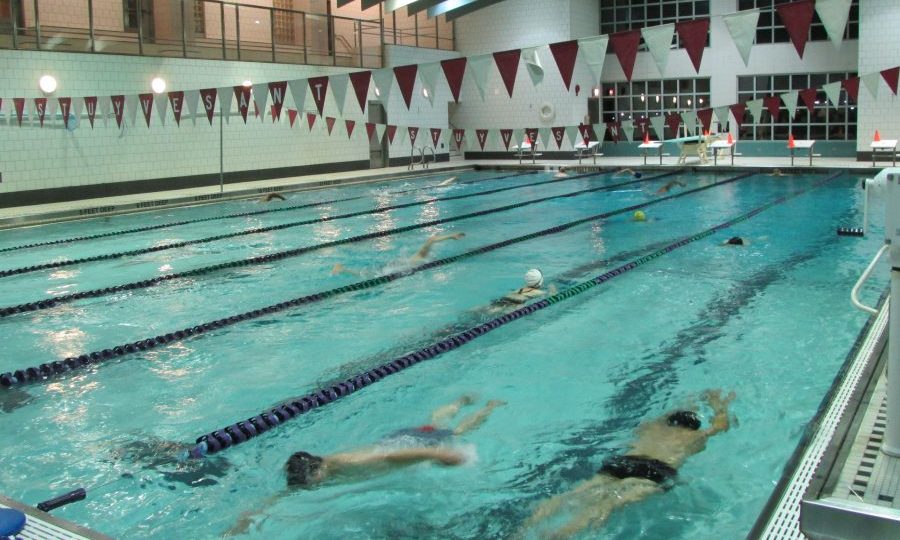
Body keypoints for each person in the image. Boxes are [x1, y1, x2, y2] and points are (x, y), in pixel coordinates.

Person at [225, 396, 504, 536]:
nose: (313, 488)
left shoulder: (350, 462)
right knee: (434, 423)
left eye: (313, 483)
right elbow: (292, 492)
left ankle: (487, 408)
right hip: (396, 440)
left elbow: (392, 458)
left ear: (317, 472)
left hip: (406, 446)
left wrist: (433, 455)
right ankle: (457, 402)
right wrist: (253, 516)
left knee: (456, 432)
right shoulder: (319, 468)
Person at [522, 390, 735, 538]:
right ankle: (560, 535)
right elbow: (721, 425)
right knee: (608, 505)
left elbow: (658, 420)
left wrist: (688, 402)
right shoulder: (696, 437)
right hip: (656, 470)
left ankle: (524, 529)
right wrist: (719, 403)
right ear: (693, 427)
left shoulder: (651, 427)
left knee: (573, 495)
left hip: (624, 461)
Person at [331, 232, 466, 276]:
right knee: (369, 275)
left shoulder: (422, 258)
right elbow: (431, 240)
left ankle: (343, 269)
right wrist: (450, 236)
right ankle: (342, 269)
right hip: (399, 266)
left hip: (398, 264)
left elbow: (431, 241)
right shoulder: (423, 257)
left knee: (369, 274)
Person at [486, 269, 558, 314]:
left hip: (501, 301)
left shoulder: (520, 289)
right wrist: (552, 288)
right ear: (540, 281)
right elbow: (554, 296)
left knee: (488, 310)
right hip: (514, 306)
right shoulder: (540, 292)